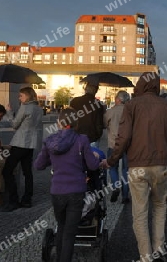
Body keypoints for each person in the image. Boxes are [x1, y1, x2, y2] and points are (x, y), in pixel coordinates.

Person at [103, 72, 167, 261]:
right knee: (160, 206)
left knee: (139, 212)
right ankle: (159, 250)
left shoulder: (131, 105)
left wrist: (112, 160)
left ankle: (145, 256)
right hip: (161, 165)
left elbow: (124, 138)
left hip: (137, 165)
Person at [34, 108, 101, 262]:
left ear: (59, 123)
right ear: (76, 123)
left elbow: (38, 165)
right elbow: (92, 165)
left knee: (61, 227)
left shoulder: (50, 141)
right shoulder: (82, 140)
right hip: (76, 191)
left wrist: (53, 158)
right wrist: (97, 159)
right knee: (70, 232)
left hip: (57, 191)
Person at [3, 87, 43, 211]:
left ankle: (13, 200)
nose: (19, 98)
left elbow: (15, 124)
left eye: (21, 96)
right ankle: (27, 199)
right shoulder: (39, 109)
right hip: (30, 144)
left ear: (27, 96)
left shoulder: (25, 107)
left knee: (7, 171)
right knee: (27, 172)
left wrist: (9, 112)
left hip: (20, 143)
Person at [103, 90, 131, 203]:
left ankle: (115, 187)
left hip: (113, 144)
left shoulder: (111, 111)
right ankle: (125, 196)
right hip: (127, 145)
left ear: (118, 99)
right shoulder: (130, 112)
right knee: (126, 170)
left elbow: (105, 124)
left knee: (112, 167)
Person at [70, 83, 105, 149]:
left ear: (85, 90)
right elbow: (99, 123)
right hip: (92, 138)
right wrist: (97, 135)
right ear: (96, 91)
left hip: (76, 137)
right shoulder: (98, 104)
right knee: (92, 158)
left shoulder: (75, 101)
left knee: (77, 158)